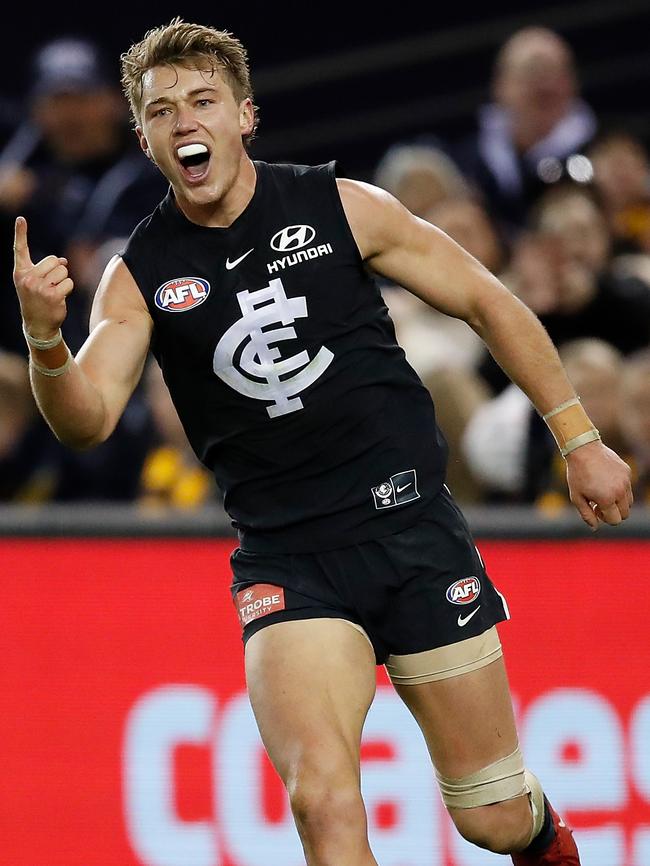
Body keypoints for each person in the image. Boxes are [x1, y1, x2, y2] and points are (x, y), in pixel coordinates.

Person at [13, 18, 632, 866]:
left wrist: (580, 439)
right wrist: (45, 341)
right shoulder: (138, 273)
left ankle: (547, 838)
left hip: (412, 532)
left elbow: (488, 300)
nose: (186, 121)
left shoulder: (339, 205)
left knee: (492, 819)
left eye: (204, 101)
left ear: (245, 117)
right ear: (148, 137)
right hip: (287, 560)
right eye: (163, 111)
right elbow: (84, 418)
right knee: (321, 802)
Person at [452, 26, 598, 240]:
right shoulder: (465, 165)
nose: (544, 85)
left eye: (554, 72)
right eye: (532, 71)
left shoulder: (602, 153)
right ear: (500, 85)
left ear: (573, 82)